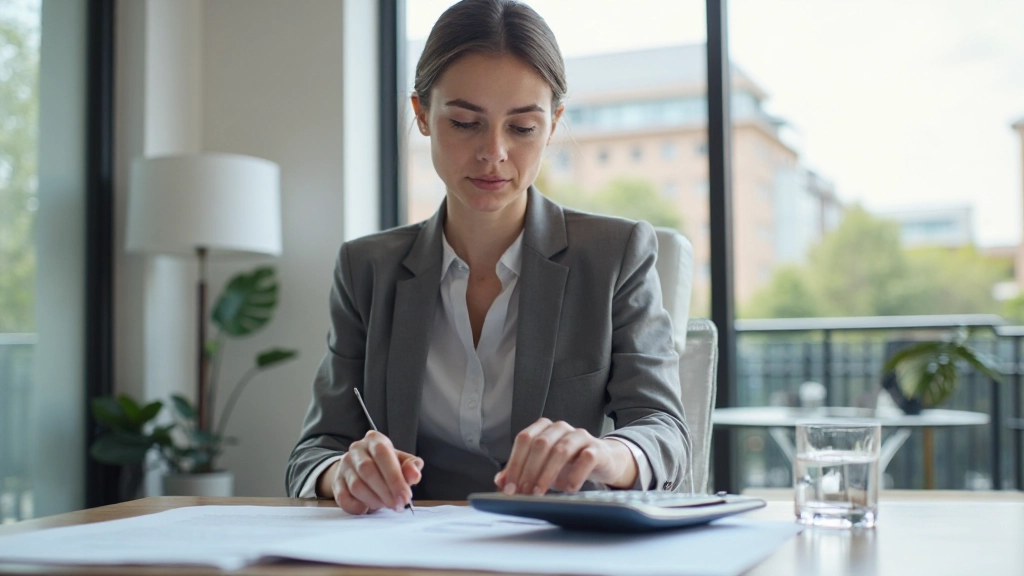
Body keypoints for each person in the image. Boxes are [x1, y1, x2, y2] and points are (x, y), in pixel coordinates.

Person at [286, 0, 690, 515]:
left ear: (552, 124)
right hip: (406, 556)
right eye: (464, 123)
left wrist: (606, 454)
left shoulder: (615, 256)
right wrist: (342, 472)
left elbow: (667, 434)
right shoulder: (367, 269)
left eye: (522, 128)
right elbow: (311, 453)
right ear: (422, 115)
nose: (493, 152)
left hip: (558, 552)